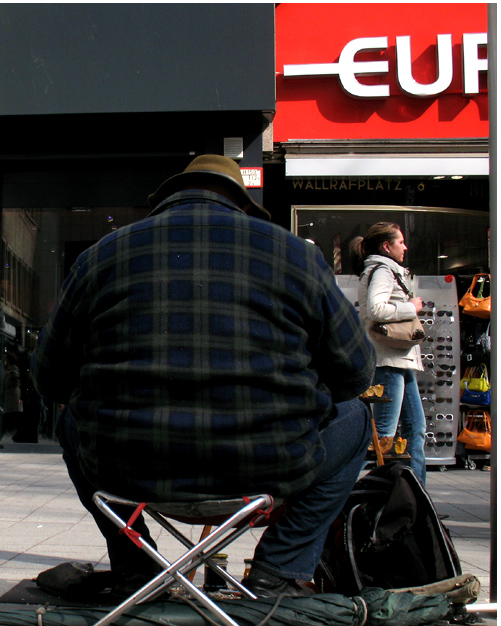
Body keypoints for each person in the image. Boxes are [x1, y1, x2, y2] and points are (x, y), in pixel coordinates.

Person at [31, 154, 376, 598]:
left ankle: (139, 569)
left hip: (129, 470)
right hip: (267, 467)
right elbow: (356, 372)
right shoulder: (294, 255)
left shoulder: (101, 256)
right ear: (243, 205)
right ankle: (280, 569)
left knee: (71, 421)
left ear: (166, 201)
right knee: (356, 417)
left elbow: (49, 380)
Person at [350, 222, 426, 484]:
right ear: (387, 246)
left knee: (415, 430)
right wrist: (410, 308)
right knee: (384, 435)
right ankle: (334, 488)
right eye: (400, 242)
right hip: (388, 360)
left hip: (399, 359)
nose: (404, 247)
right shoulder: (383, 270)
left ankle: (416, 503)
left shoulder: (389, 271)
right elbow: (376, 309)